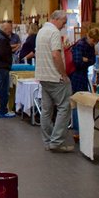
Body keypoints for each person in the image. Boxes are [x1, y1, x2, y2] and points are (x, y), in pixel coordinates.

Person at [36, 10, 74, 152]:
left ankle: (48, 141)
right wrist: (63, 74)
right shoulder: (54, 33)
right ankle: (56, 142)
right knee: (64, 107)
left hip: (43, 75)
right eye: (63, 23)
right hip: (54, 76)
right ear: (56, 19)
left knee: (46, 110)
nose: (63, 26)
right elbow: (55, 55)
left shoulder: (41, 31)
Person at [70, 28, 99, 93]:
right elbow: (77, 62)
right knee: (79, 96)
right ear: (90, 37)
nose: (95, 43)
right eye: (94, 40)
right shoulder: (80, 44)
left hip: (84, 74)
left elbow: (93, 60)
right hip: (76, 76)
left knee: (83, 95)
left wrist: (86, 60)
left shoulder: (90, 45)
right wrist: (86, 60)